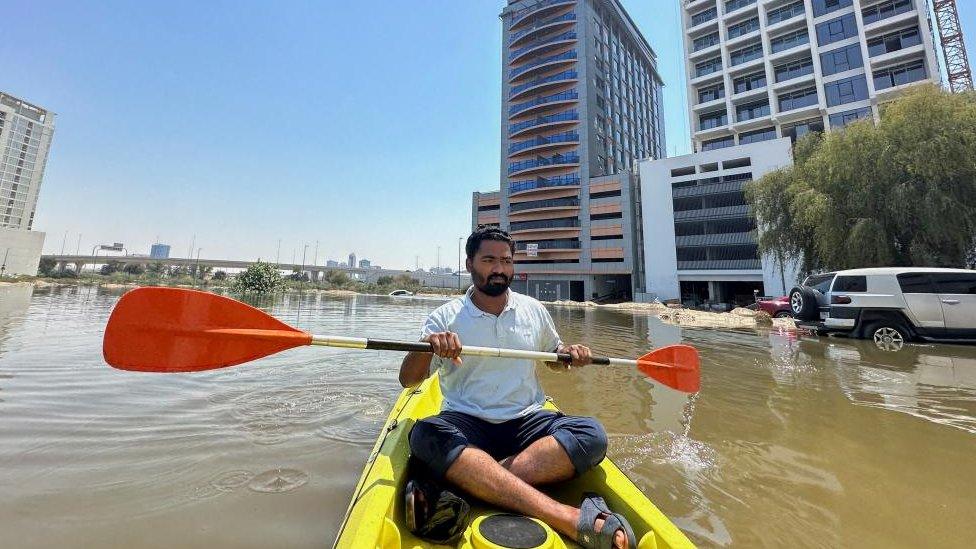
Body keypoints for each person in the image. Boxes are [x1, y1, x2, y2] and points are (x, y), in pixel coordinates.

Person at [399, 227, 636, 549]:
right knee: (426, 434)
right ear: (469, 264)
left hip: (528, 419)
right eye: (489, 260)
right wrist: (427, 347)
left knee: (591, 435)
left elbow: (553, 356)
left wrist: (571, 354)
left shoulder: (533, 309)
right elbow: (409, 381)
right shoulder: (445, 316)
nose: (499, 269)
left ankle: (466, 485)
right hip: (466, 420)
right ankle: (564, 515)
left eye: (506, 261)